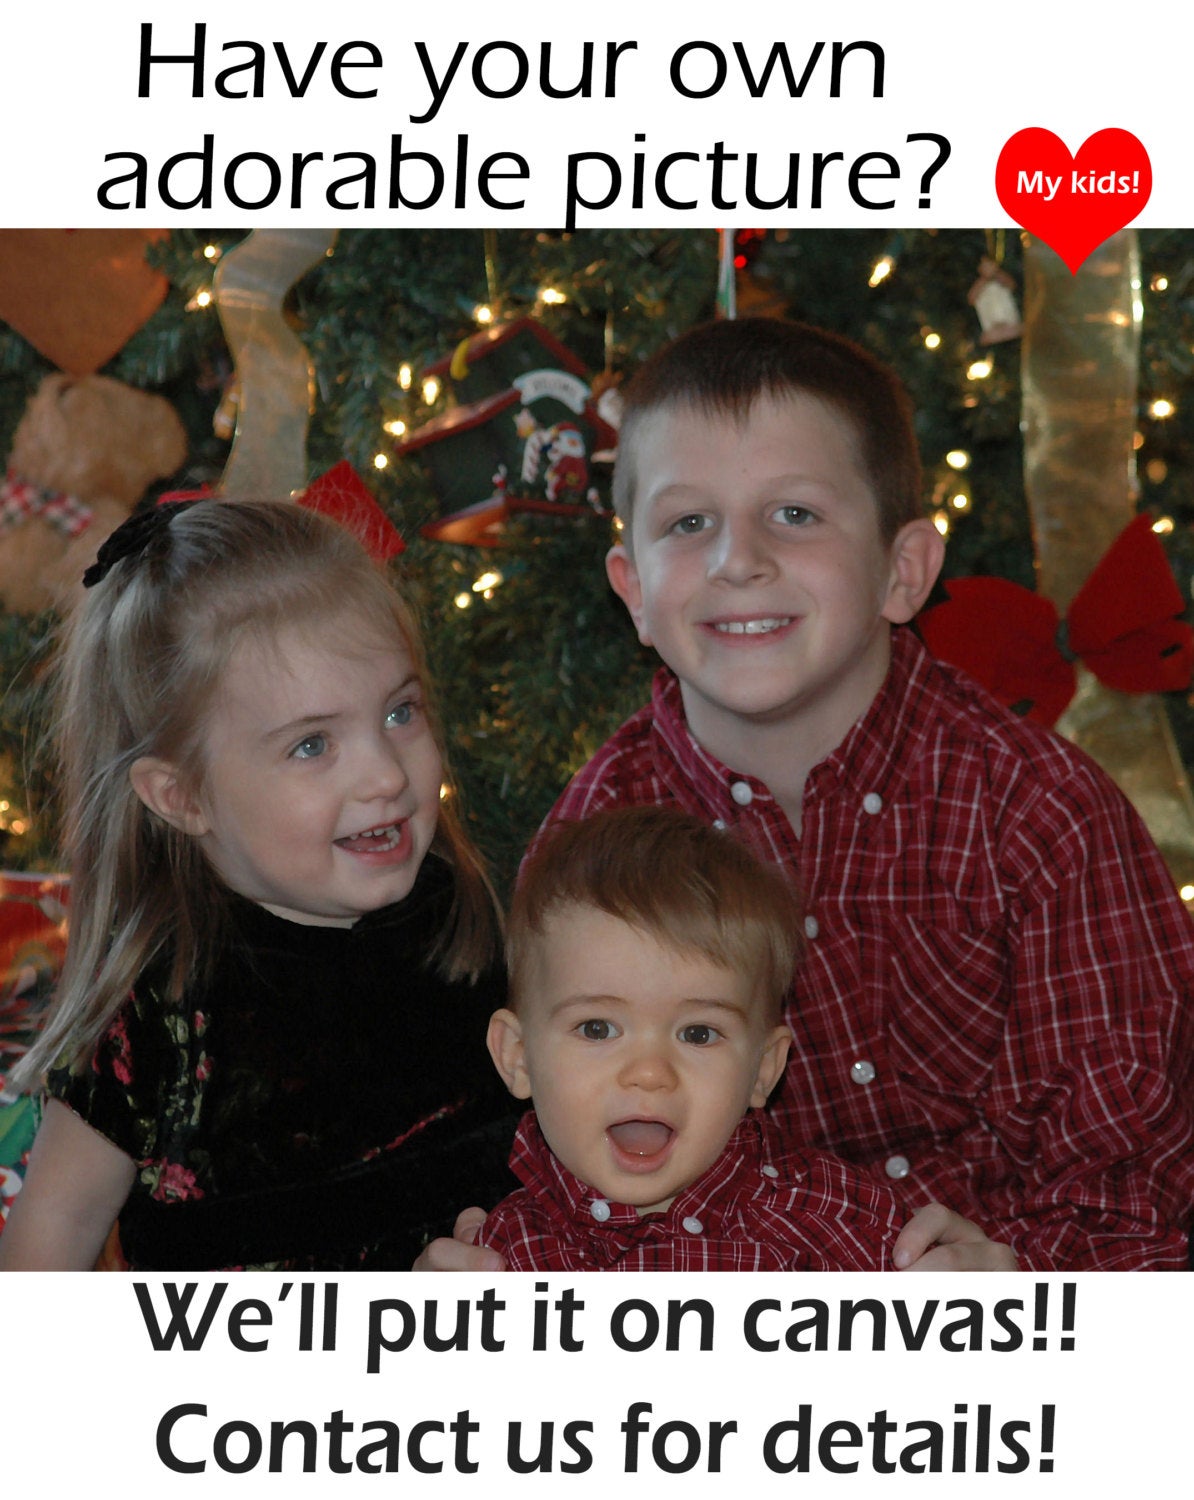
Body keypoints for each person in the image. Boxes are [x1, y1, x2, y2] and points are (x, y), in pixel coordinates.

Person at [428, 316, 1194, 1272]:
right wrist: (508, 1265)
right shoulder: (597, 841)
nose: (737, 560)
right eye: (688, 523)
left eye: (793, 514)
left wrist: (1024, 1278)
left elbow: (1134, 1181)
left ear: (903, 572)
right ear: (633, 590)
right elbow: (567, 1138)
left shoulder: (1041, 814)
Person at [0, 499, 515, 1271]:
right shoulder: (160, 1016)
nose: (384, 774)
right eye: (312, 745)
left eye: (400, 712)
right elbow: (47, 1249)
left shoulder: (457, 912)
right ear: (183, 797)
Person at [479, 806, 902, 1270]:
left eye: (698, 1034)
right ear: (518, 1056)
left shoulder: (844, 1224)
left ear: (763, 1068)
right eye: (597, 1028)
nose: (649, 1073)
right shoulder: (497, 1264)